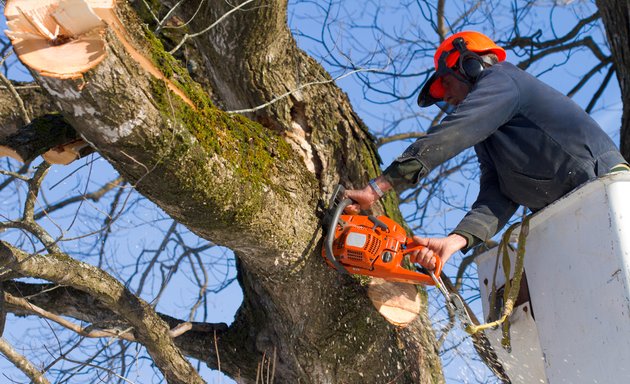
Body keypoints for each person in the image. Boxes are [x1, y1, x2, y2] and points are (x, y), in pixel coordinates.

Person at [344, 31, 628, 270]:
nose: (449, 97)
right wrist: (455, 241)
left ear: (470, 66)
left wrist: (377, 188)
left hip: (604, 189)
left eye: (447, 84)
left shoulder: (504, 80)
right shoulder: (491, 135)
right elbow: (498, 194)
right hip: (572, 214)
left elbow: (455, 131)